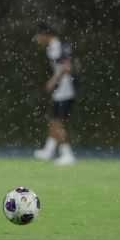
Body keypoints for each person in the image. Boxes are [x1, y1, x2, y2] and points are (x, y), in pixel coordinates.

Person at [32, 22, 77, 166]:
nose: (37, 39)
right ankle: (49, 150)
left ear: (45, 35)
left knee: (58, 122)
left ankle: (67, 154)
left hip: (66, 90)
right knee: (53, 119)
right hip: (62, 90)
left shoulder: (57, 47)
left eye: (38, 35)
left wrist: (53, 81)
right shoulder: (53, 47)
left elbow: (67, 66)